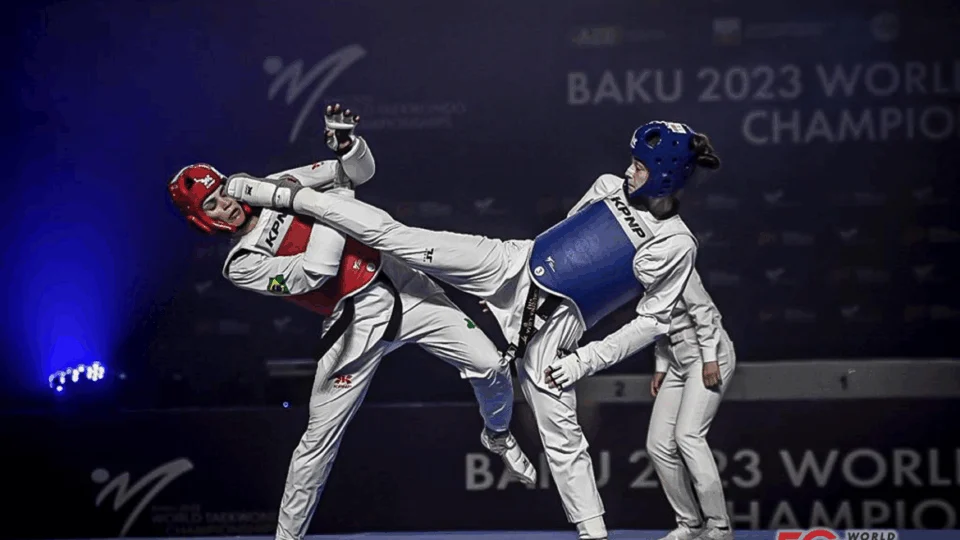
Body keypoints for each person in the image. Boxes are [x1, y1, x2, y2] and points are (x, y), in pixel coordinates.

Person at [225, 117, 729, 540]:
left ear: (666, 177)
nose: (629, 169)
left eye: (640, 166)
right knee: (397, 236)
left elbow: (652, 321)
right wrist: (512, 293)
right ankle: (274, 194)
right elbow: (564, 238)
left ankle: (593, 535)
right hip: (511, 263)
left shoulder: (676, 245)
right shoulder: (607, 185)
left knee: (562, 437)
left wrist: (582, 361)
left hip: (558, 330)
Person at [166, 105, 535, 540]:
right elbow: (317, 271)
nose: (227, 203)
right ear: (201, 219)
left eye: (223, 191)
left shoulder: (270, 186)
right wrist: (335, 202)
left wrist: (348, 148)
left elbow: (357, 173)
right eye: (212, 204)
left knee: (491, 366)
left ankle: (497, 436)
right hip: (353, 322)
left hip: (403, 282)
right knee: (318, 440)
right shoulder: (241, 263)